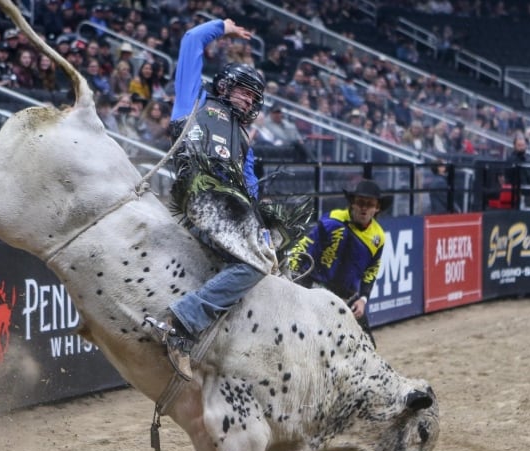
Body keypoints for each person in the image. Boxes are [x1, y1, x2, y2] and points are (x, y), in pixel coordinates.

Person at [149, 18, 270, 381]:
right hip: (197, 200)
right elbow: (190, 41)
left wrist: (260, 228)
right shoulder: (195, 100)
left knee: (265, 256)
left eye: (254, 98)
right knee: (253, 265)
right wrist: (222, 27)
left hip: (227, 213)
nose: (249, 100)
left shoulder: (244, 140)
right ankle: (182, 322)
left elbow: (250, 189)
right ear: (224, 86)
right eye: (244, 92)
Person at [287, 179, 391, 346]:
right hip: (315, 291)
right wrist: (292, 278)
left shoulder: (378, 237)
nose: (364, 208)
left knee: (369, 347)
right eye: (360, 202)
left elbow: (371, 271)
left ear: (377, 208)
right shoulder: (332, 221)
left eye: (370, 204)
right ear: (352, 203)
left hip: (348, 298)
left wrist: (362, 300)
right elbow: (304, 247)